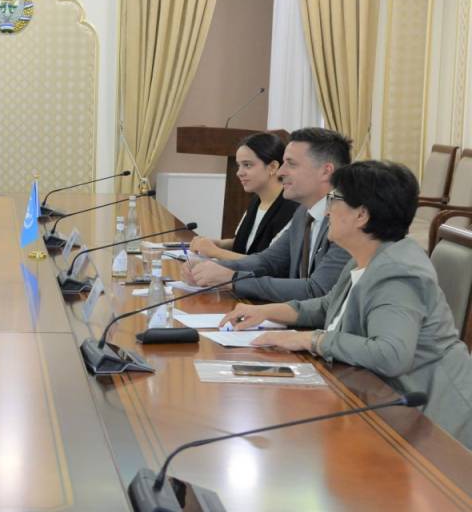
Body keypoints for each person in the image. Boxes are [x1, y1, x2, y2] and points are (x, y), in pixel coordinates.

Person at [221, 161, 472, 448]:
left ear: (361, 215)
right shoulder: (365, 256)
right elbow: (329, 306)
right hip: (385, 402)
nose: (327, 211)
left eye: (334, 200)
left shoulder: (398, 274)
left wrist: (311, 340)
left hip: (436, 426)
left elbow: (391, 354)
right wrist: (264, 312)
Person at [184, 127, 352, 302]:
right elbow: (268, 261)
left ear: (326, 171)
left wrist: (232, 279)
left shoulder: (349, 220)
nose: (280, 172)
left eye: (291, 164)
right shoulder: (304, 212)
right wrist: (209, 267)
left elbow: (317, 291)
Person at [189, 132, 298, 260]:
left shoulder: (292, 208)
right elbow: (245, 243)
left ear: (272, 167)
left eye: (247, 165)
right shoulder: (257, 199)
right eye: (239, 165)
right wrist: (218, 244)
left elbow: (267, 263)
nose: (239, 173)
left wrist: (215, 252)